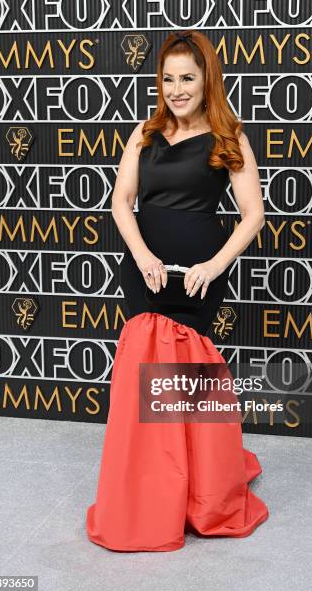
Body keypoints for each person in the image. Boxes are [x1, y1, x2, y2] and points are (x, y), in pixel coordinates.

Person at [86, 30, 268, 552]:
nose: (177, 89)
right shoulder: (143, 133)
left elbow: (252, 215)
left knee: (182, 382)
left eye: (187, 78)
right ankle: (151, 495)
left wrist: (212, 267)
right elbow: (122, 202)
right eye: (168, 79)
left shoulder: (227, 135)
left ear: (207, 80)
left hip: (197, 277)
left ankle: (201, 493)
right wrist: (141, 255)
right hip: (143, 274)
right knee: (145, 379)